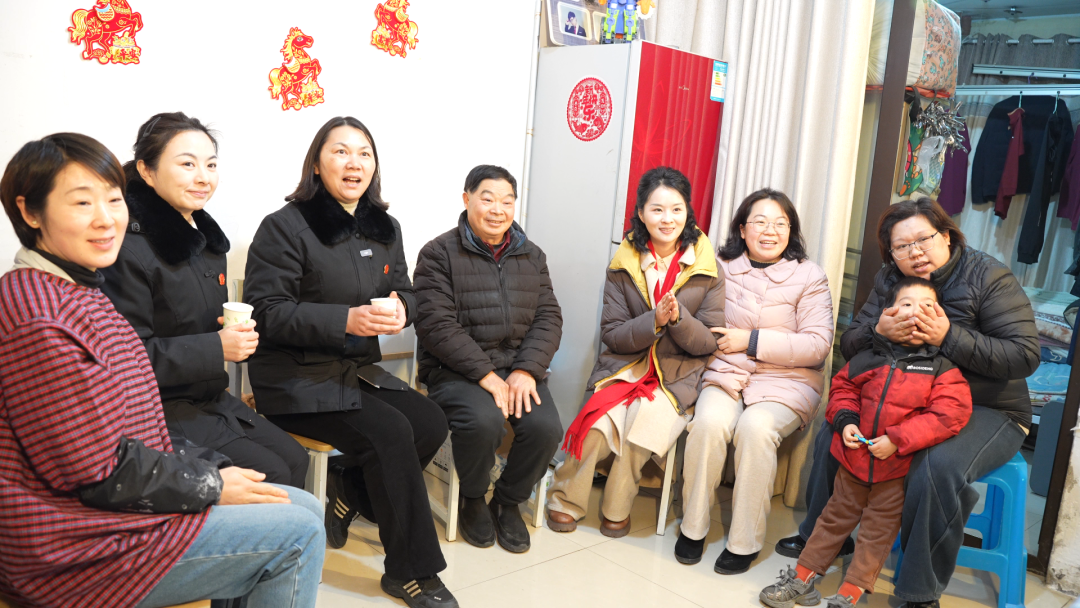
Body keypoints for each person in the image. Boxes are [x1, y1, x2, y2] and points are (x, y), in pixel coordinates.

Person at [0, 132, 324, 608]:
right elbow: (96, 472)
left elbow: (130, 426)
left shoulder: (80, 289)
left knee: (302, 502)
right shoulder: (40, 317)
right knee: (298, 532)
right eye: (82, 202)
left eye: (113, 199)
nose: (105, 219)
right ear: (30, 212)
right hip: (78, 544)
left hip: (120, 498)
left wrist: (211, 470)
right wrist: (210, 484)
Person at [775, 198, 1039, 608]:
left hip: (989, 407)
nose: (914, 253)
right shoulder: (889, 280)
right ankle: (824, 540)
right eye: (901, 246)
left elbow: (1024, 356)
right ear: (890, 253)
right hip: (907, 397)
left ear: (946, 236)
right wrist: (878, 332)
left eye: (923, 240)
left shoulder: (989, 277)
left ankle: (919, 591)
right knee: (835, 431)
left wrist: (947, 337)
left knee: (938, 465)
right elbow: (851, 344)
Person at [243, 116, 457, 608]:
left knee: (430, 421)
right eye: (340, 151)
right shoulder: (284, 227)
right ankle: (410, 571)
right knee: (390, 433)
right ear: (317, 164)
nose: (353, 163)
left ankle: (349, 491)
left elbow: (407, 290)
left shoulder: (385, 227)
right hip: (294, 378)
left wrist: (404, 309)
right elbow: (267, 312)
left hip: (354, 371)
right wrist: (346, 320)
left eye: (364, 153)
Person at [100, 112, 308, 488]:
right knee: (270, 474)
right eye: (187, 164)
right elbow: (126, 359)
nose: (203, 177)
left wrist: (233, 339)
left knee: (295, 458)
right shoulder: (128, 249)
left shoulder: (207, 242)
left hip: (209, 398)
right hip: (158, 408)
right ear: (147, 171)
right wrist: (216, 347)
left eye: (211, 165)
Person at [761, 277, 971, 608]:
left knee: (876, 533)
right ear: (887, 313)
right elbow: (842, 390)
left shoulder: (942, 369)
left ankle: (850, 593)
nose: (915, 312)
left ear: (940, 318)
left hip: (896, 472)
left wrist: (897, 440)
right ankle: (801, 579)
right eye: (906, 304)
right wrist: (846, 422)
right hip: (853, 463)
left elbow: (949, 414)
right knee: (831, 520)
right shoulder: (866, 358)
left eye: (927, 306)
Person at [545, 166, 725, 535]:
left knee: (642, 429)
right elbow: (613, 335)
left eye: (676, 209)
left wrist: (679, 319)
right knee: (595, 426)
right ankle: (564, 500)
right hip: (623, 366)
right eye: (657, 209)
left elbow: (708, 342)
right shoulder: (623, 264)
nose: (667, 219)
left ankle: (617, 507)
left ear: (688, 213)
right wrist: (654, 321)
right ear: (641, 213)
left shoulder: (708, 268)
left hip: (676, 374)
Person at [676, 189, 834, 574]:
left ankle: (744, 542)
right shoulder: (720, 266)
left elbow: (817, 344)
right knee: (708, 424)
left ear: (791, 231)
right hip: (726, 370)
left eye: (780, 223)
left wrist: (751, 341)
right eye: (760, 222)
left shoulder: (809, 275)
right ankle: (692, 528)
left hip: (788, 381)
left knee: (755, 429)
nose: (770, 231)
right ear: (742, 229)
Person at [413, 165, 563, 554]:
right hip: (456, 371)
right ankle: (474, 497)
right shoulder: (437, 253)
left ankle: (508, 501)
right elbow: (436, 325)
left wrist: (527, 370)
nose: (498, 209)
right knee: (483, 422)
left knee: (546, 428)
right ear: (467, 200)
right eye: (488, 198)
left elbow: (548, 317)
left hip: (517, 368)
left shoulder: (532, 255)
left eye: (507, 201)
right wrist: (486, 375)